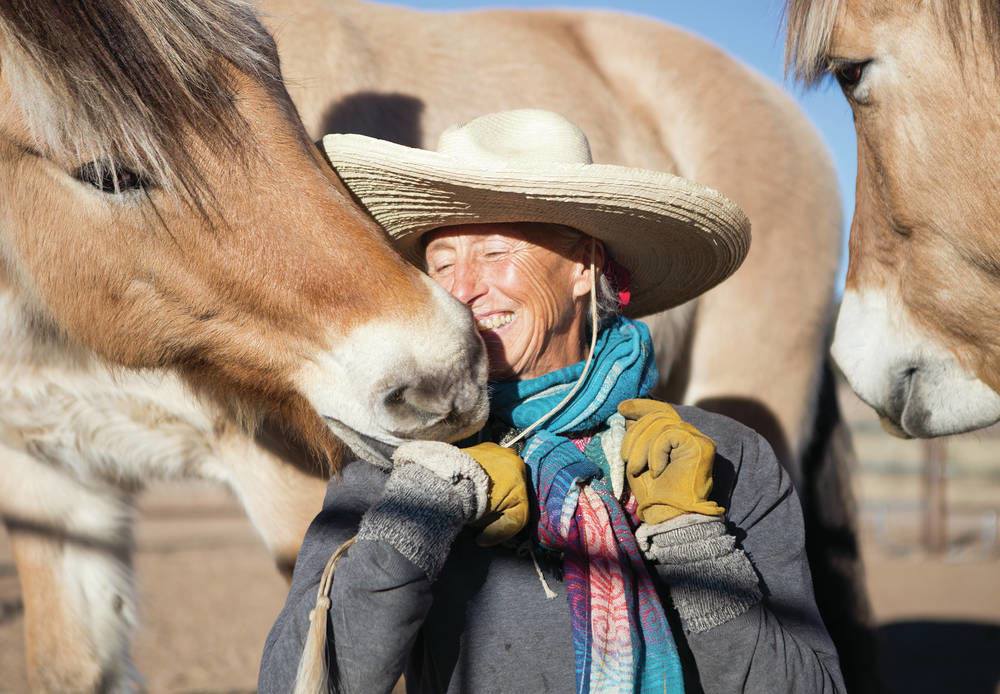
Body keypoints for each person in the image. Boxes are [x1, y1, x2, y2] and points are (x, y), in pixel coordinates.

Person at [259, 110, 845, 693]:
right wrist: (419, 515)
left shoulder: (722, 456)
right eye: (441, 266)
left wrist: (692, 539)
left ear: (585, 268)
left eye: (494, 254)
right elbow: (298, 683)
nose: (461, 291)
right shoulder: (395, 471)